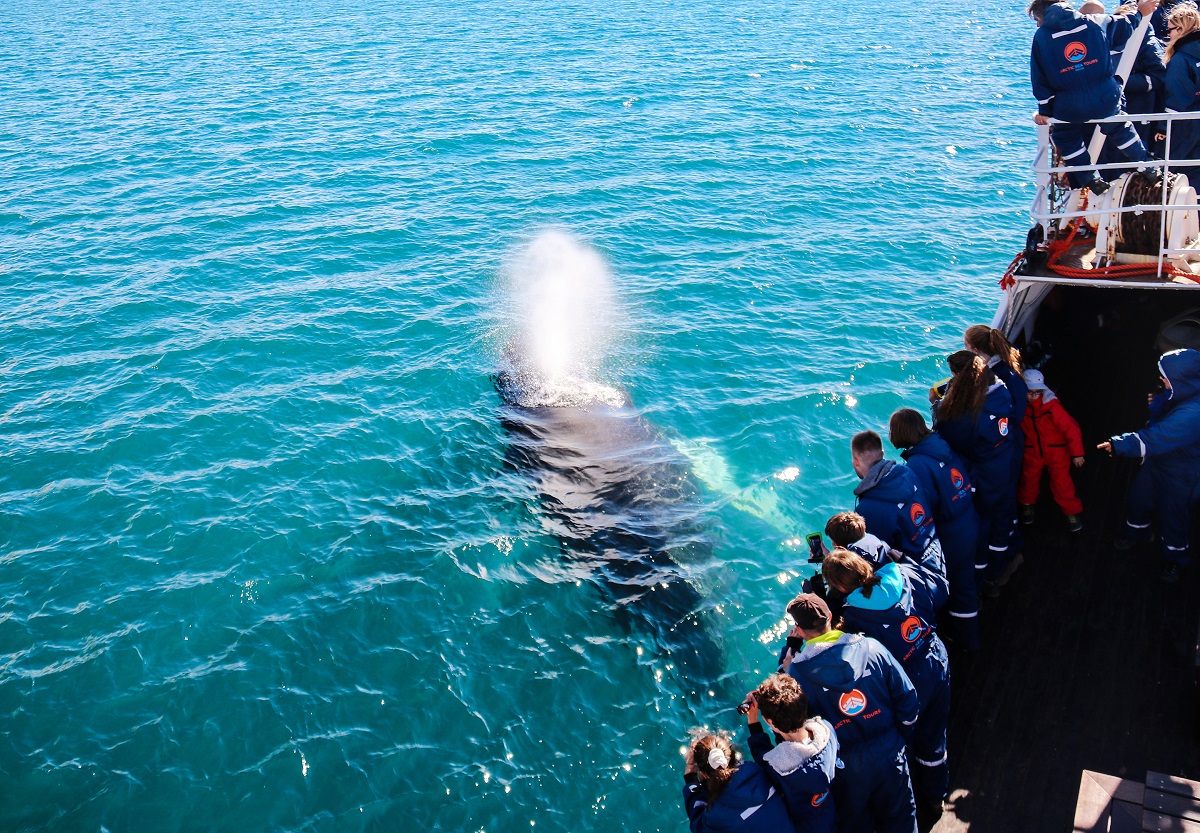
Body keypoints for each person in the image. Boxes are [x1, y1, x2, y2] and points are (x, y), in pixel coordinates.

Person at [822, 548, 950, 820]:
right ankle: (937, 794)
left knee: (908, 737)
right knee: (935, 734)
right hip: (935, 657)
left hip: (908, 680)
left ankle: (917, 796)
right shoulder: (903, 574)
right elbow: (940, 590)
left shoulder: (854, 616)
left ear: (840, 587)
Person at [782, 593, 920, 833]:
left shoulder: (797, 675)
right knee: (903, 818)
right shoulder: (872, 648)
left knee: (856, 823)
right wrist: (901, 737)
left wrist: (786, 669)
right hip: (890, 751)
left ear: (799, 630)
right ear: (831, 617)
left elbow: (793, 724)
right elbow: (907, 697)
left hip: (845, 767)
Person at [1028, 0, 1162, 194]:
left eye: (1036, 19)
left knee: (1065, 136)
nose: (1037, 24)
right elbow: (1125, 26)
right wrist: (1141, 12)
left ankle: (1091, 179)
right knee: (1119, 127)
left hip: (1069, 105)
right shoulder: (1094, 21)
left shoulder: (1041, 37)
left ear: (1042, 15)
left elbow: (1039, 79)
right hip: (1104, 98)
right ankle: (1148, 167)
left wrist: (1045, 111)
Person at [1099, 348, 1200, 583]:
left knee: (1174, 518)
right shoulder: (1184, 392)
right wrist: (1157, 404)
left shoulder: (1194, 413)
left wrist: (1118, 445)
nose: (1161, 379)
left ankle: (1176, 559)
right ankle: (1137, 532)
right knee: (1139, 500)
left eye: (1165, 376)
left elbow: (1159, 436)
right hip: (1159, 463)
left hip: (1182, 475)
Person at [889, 408, 983, 651]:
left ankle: (967, 642)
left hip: (951, 535)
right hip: (968, 519)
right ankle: (973, 618)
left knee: (957, 589)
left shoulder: (918, 465)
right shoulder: (939, 444)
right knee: (967, 582)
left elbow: (924, 506)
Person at [932, 352, 1021, 597]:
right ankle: (1001, 569)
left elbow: (950, 435)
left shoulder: (973, 415)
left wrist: (937, 406)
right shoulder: (1001, 393)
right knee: (1003, 521)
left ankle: (982, 581)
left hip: (985, 478)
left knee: (982, 529)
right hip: (1006, 467)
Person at [744, 674, 840, 833]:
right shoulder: (827, 731)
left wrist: (753, 721)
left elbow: (762, 755)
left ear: (769, 722)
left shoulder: (777, 769)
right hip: (832, 816)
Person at [964, 325, 1028, 559]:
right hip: (1011, 445)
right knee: (1007, 499)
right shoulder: (1012, 371)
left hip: (1002, 448)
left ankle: (1002, 555)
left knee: (997, 505)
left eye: (967, 346)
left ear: (977, 350)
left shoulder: (997, 379)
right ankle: (1009, 548)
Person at [850, 430, 946, 576]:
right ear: (882, 452)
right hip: (936, 554)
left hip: (912, 575)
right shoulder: (907, 472)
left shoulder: (867, 509)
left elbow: (871, 559)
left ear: (856, 461)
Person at [683, 730, 794, 832]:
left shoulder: (716, 816)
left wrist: (690, 775)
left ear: (703, 774)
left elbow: (698, 825)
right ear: (731, 755)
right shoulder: (764, 772)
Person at [1017, 369, 1086, 532]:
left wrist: (1077, 453)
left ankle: (1071, 512)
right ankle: (1027, 504)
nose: (1033, 396)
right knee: (1028, 479)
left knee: (1062, 482)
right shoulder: (1020, 408)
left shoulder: (1052, 407)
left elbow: (1072, 429)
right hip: (1032, 450)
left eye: (1037, 392)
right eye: (1029, 392)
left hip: (1057, 452)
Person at [1154, 3, 1200, 178]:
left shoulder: (1180, 60)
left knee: (1179, 169)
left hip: (1187, 125)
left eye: (1170, 30)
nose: (1168, 34)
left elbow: (1177, 100)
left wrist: (1163, 128)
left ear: (1180, 30)